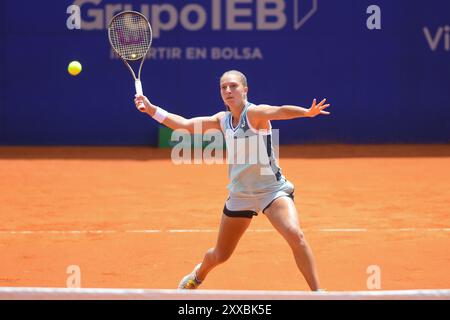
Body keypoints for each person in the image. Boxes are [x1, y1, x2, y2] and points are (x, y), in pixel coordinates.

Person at [134, 70, 330, 291]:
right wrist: (151, 111)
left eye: (233, 86)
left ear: (245, 90)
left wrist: (306, 112)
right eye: (223, 87)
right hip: (240, 195)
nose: (228, 90)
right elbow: (187, 125)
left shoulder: (255, 113)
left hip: (272, 192)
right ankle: (197, 276)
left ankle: (318, 293)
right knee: (220, 254)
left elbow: (279, 111)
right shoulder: (222, 120)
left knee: (295, 234)